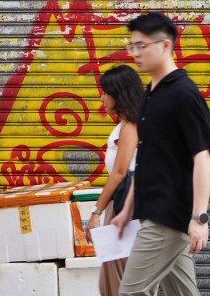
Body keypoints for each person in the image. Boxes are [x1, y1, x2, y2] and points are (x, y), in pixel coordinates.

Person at [111, 12, 210, 296]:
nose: (135, 53)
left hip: (168, 216)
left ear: (165, 46)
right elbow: (146, 160)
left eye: (141, 46)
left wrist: (199, 218)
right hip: (155, 212)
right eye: (132, 46)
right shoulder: (151, 94)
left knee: (131, 293)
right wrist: (126, 210)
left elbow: (202, 157)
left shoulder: (184, 94)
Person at [86, 65, 144, 296]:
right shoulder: (126, 124)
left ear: (119, 94)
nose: (102, 97)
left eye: (105, 92)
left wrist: (96, 212)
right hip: (122, 204)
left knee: (117, 279)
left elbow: (119, 172)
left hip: (125, 207)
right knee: (114, 278)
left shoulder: (130, 126)